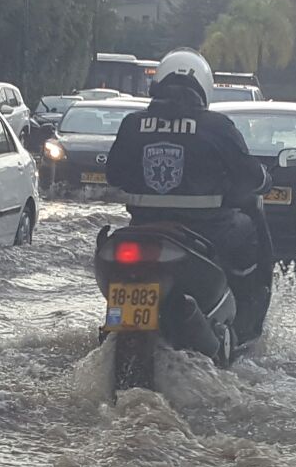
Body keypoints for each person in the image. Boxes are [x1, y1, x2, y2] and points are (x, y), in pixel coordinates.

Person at [106, 48, 273, 344]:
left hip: (142, 230)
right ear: (203, 89)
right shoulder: (217, 126)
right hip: (206, 233)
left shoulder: (132, 124)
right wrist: (263, 179)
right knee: (251, 229)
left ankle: (116, 326)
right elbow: (250, 178)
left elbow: (114, 176)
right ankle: (245, 326)